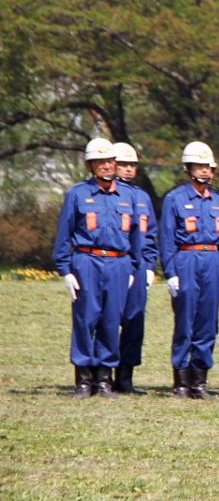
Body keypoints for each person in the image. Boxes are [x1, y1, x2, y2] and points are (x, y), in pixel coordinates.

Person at [53, 138, 145, 398]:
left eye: (110, 161)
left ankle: (104, 378)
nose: (106, 166)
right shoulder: (78, 194)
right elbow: (64, 234)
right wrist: (66, 270)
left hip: (119, 262)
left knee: (111, 319)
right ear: (91, 165)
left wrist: (133, 267)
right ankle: (84, 379)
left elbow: (136, 236)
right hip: (87, 261)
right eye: (100, 162)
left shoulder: (128, 196)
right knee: (86, 318)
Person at [159, 141, 219, 399]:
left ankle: (200, 380)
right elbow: (167, 238)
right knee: (185, 322)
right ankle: (181, 381)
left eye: (208, 167)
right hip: (186, 260)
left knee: (207, 324)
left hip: (212, 262)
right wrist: (171, 272)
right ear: (189, 168)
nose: (205, 172)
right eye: (199, 167)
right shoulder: (175, 199)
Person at [111, 142, 157, 395]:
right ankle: (102, 375)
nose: (128, 170)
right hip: (113, 264)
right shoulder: (106, 193)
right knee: (105, 321)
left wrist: (149, 266)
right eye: (123, 165)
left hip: (137, 267)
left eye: (132, 165)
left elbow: (150, 234)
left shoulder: (142, 197)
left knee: (134, 321)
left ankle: (126, 377)